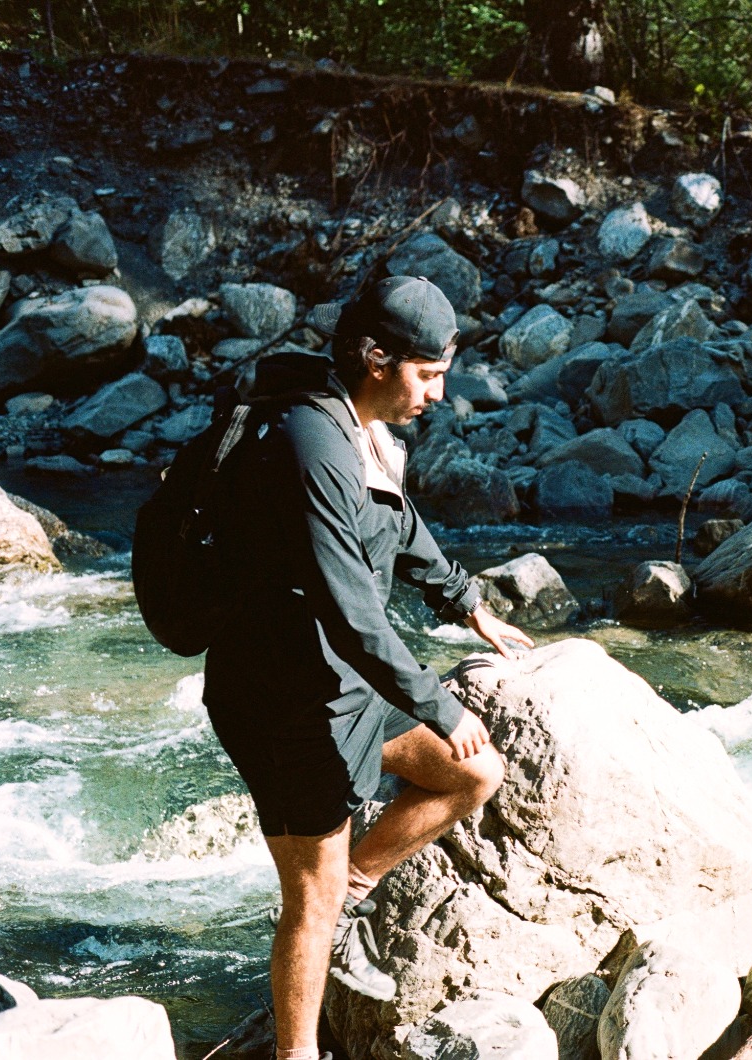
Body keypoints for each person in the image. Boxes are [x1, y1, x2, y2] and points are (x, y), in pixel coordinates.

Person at [202, 277, 535, 1060]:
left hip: (342, 685)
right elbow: (350, 608)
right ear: (377, 360)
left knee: (473, 773)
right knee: (309, 904)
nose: (439, 394)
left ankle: (351, 885)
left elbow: (398, 523)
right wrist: (440, 707)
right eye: (428, 375)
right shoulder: (309, 442)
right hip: (286, 699)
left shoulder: (361, 429)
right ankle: (296, 1049)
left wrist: (468, 604)